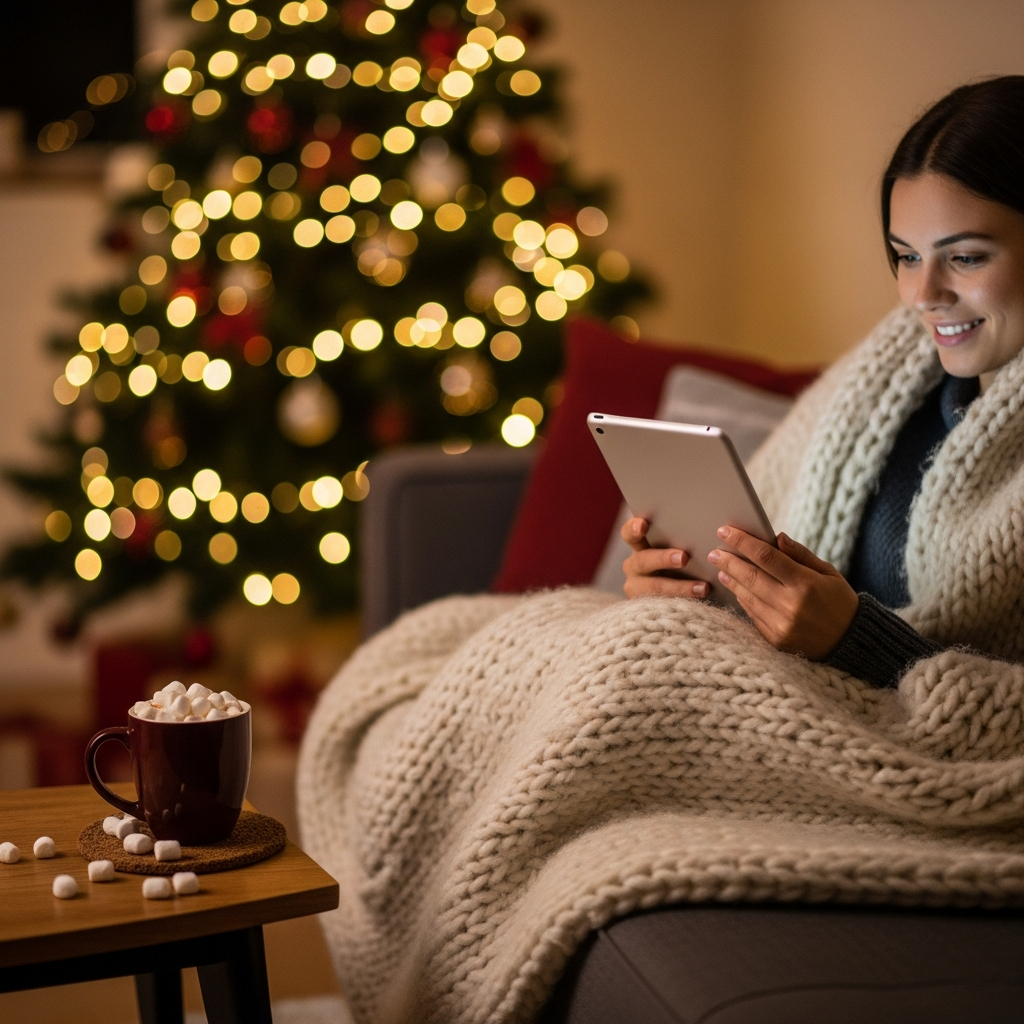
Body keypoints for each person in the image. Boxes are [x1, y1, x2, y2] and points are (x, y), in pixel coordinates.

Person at [621, 76, 1024, 688]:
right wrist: (697, 580)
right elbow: (759, 525)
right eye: (906, 256)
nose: (922, 296)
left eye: (965, 258)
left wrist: (854, 642)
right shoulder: (889, 371)